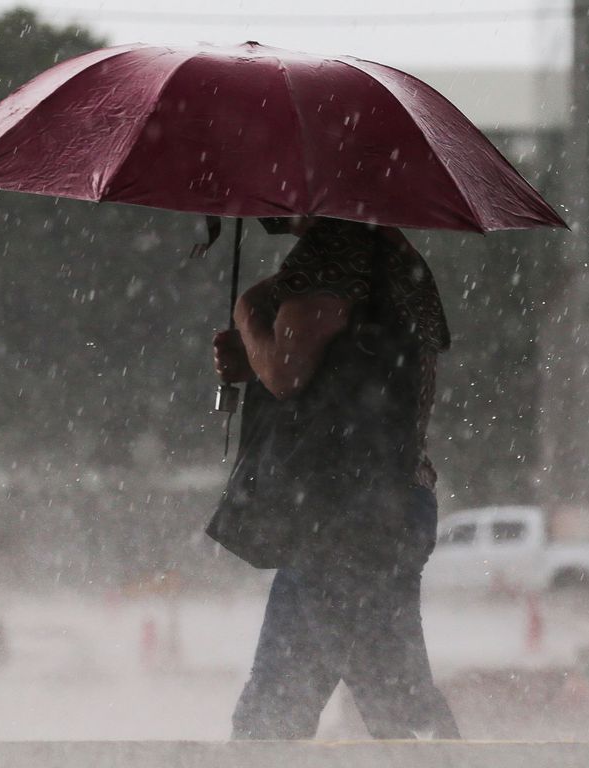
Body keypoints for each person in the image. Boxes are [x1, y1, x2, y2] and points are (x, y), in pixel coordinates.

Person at [208, 215, 460, 740]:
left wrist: (249, 319)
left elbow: (285, 370)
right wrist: (257, 347)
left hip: (342, 516)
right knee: (273, 713)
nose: (262, 205)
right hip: (376, 507)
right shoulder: (396, 254)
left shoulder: (334, 251)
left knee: (397, 708)